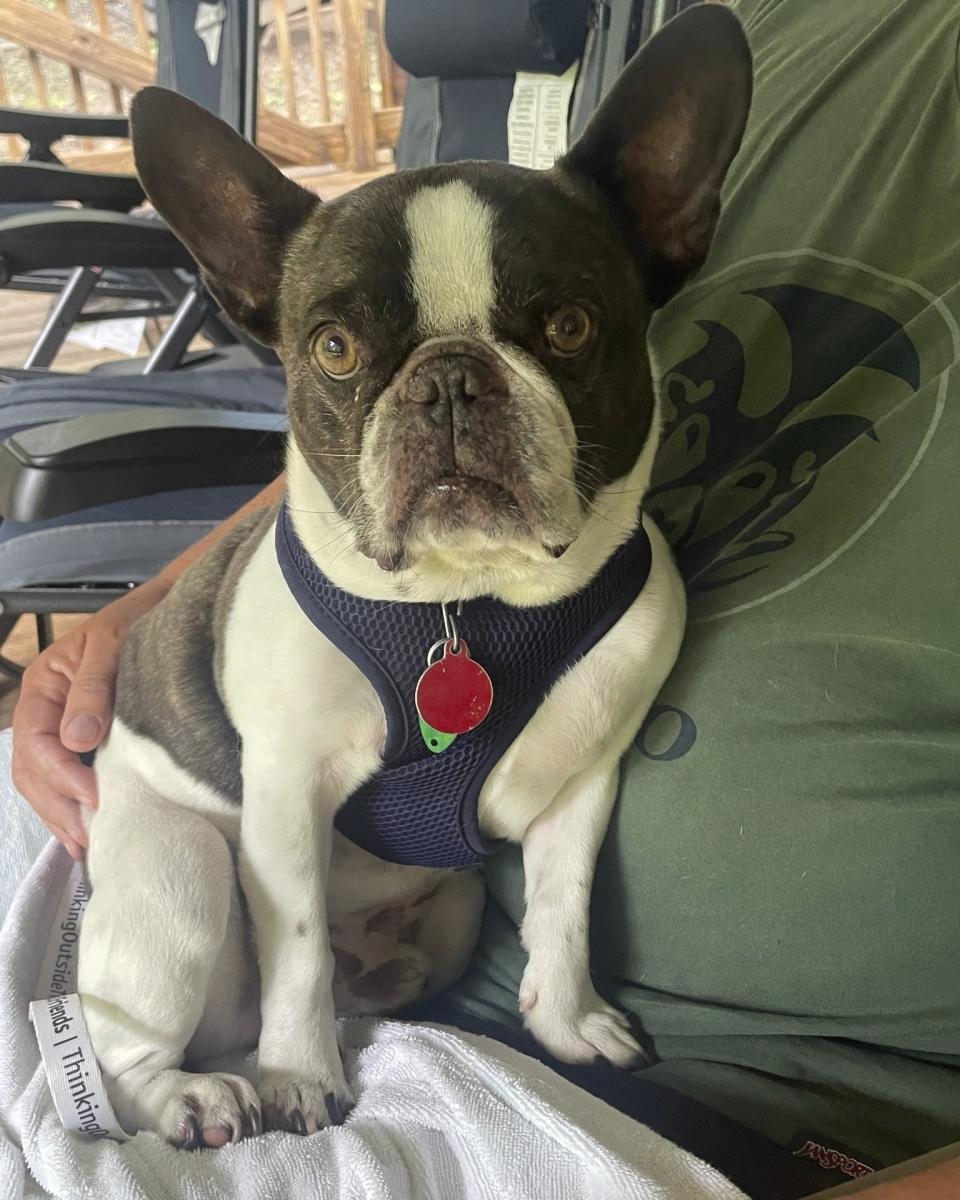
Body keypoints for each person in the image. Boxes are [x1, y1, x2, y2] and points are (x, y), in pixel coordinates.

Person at [9, 0, 960, 1194]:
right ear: (252, 292)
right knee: (165, 885)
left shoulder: (627, 600)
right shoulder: (805, 31)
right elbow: (331, 490)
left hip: (596, 1037)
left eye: (558, 327)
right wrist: (146, 605)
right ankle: (139, 1064)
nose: (452, 411)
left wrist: (556, 980)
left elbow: (582, 761)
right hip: (208, 822)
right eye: (353, 354)